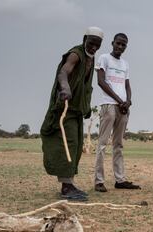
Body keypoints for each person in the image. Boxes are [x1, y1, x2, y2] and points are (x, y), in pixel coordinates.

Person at [40, 27, 104, 201]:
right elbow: (64, 72)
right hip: (65, 108)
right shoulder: (76, 54)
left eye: (97, 46)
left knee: (76, 148)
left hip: (76, 110)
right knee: (70, 144)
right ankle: (66, 187)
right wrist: (66, 87)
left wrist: (86, 106)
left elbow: (85, 85)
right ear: (84, 39)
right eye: (91, 44)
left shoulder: (91, 57)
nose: (93, 48)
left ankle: (69, 183)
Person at [93, 33, 140, 192]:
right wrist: (119, 100)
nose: (120, 47)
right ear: (113, 43)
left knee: (118, 144)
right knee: (102, 143)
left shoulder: (125, 64)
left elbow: (127, 85)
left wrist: (128, 101)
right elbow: (101, 81)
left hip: (123, 108)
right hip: (109, 104)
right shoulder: (104, 58)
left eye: (123, 45)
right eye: (118, 43)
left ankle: (120, 180)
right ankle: (99, 181)